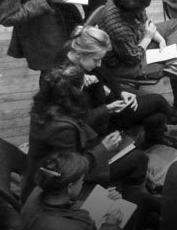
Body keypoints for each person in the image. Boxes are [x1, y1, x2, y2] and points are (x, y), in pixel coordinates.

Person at [23, 65, 150, 204]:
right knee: (139, 158)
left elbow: (80, 123)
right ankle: (132, 204)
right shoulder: (62, 128)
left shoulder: (48, 104)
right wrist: (104, 148)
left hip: (50, 167)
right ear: (76, 90)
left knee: (129, 148)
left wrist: (106, 109)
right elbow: (71, 167)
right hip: (57, 182)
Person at [62, 26, 177, 149]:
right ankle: (173, 116)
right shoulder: (65, 81)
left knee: (157, 116)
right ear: (80, 55)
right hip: (101, 120)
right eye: (96, 60)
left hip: (108, 101)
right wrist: (107, 108)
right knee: (157, 101)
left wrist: (120, 91)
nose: (98, 64)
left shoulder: (82, 58)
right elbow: (79, 122)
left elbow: (104, 72)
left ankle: (154, 139)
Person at [93, 0, 177, 110]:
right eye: (141, 9)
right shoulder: (118, 28)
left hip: (137, 37)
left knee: (176, 25)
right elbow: (133, 57)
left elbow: (143, 21)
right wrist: (148, 37)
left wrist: (159, 38)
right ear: (129, 12)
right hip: (125, 62)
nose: (143, 11)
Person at [21, 151, 125, 230]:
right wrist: (110, 226)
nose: (82, 183)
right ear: (70, 187)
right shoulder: (73, 228)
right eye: (82, 181)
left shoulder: (38, 191)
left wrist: (100, 199)